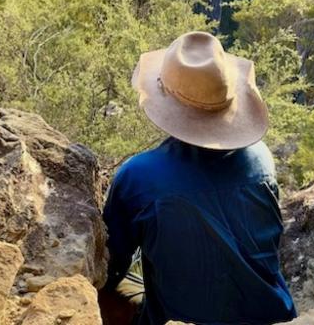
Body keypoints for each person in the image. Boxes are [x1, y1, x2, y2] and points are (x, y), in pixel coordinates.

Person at [101, 31, 297, 325]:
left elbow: (111, 265)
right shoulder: (262, 159)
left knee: (113, 290)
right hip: (274, 315)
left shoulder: (137, 176)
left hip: (179, 320)